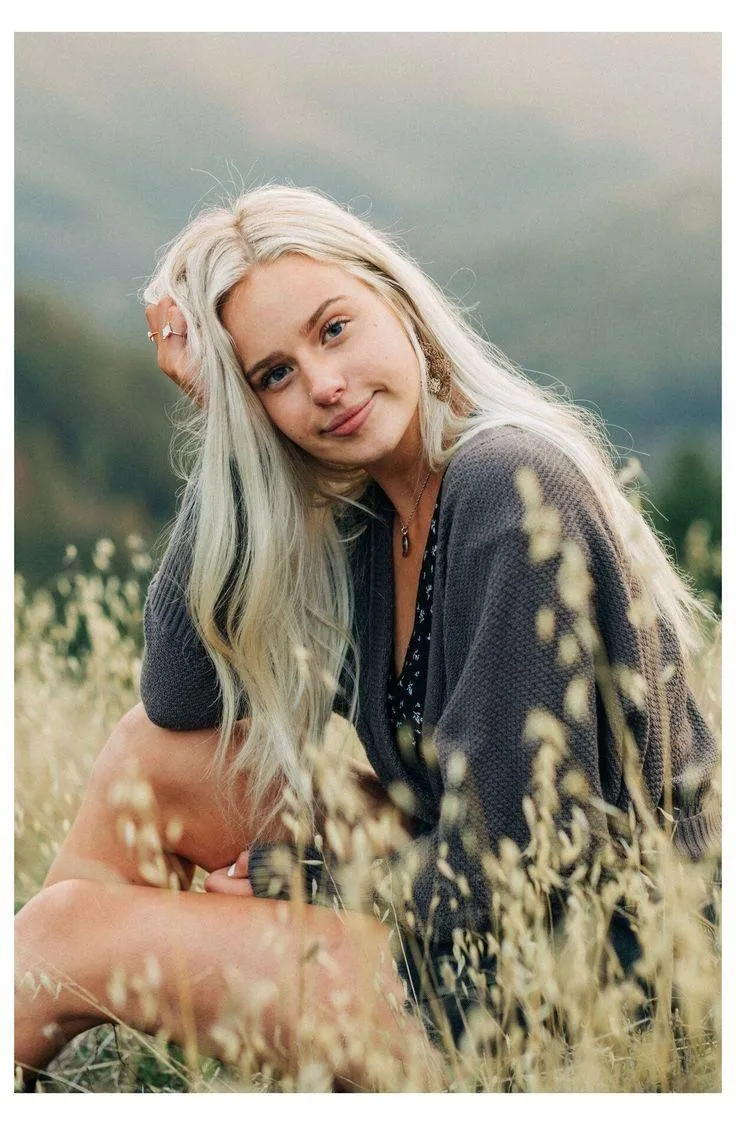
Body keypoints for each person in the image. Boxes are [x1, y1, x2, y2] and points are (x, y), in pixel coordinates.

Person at [15, 185, 720, 1091]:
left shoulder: (506, 489)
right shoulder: (365, 516)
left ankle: (53, 1024)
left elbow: (516, 870)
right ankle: (65, 1057)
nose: (323, 385)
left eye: (334, 329)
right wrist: (229, 433)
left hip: (575, 993)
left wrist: (295, 875)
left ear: (403, 305)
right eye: (273, 375)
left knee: (62, 933)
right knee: (152, 759)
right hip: (455, 922)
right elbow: (178, 698)